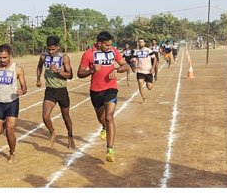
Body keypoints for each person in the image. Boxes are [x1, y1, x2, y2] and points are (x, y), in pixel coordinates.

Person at [78, 31, 130, 162]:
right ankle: (104, 127)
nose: (109, 47)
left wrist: (116, 70)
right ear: (99, 43)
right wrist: (91, 70)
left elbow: (126, 65)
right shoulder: (88, 54)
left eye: (111, 45)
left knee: (109, 116)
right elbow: (79, 73)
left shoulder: (114, 52)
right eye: (106, 45)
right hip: (95, 91)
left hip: (111, 89)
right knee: (101, 118)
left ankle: (110, 149)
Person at [0, 44, 27, 164]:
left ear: (10, 56)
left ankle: (12, 152)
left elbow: (24, 87)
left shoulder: (17, 69)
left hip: (12, 103)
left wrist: (22, 91)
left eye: (5, 57)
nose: (2, 60)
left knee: (10, 130)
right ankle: (4, 123)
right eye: (0, 57)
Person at [36, 35, 74, 148]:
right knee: (45, 116)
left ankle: (70, 135)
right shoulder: (43, 57)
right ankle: (53, 132)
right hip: (50, 91)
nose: (51, 51)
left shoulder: (64, 58)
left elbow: (70, 75)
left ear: (58, 47)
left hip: (62, 91)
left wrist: (57, 71)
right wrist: (38, 79)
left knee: (66, 116)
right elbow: (39, 66)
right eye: (49, 49)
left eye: (53, 49)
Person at [133, 37, 156, 102]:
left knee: (150, 87)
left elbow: (154, 58)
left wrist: (153, 67)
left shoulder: (149, 50)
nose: (140, 43)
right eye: (139, 42)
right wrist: (134, 65)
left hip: (148, 71)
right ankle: (144, 99)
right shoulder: (136, 52)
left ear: (144, 43)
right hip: (140, 71)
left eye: (141, 42)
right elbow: (135, 60)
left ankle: (147, 83)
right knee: (140, 83)